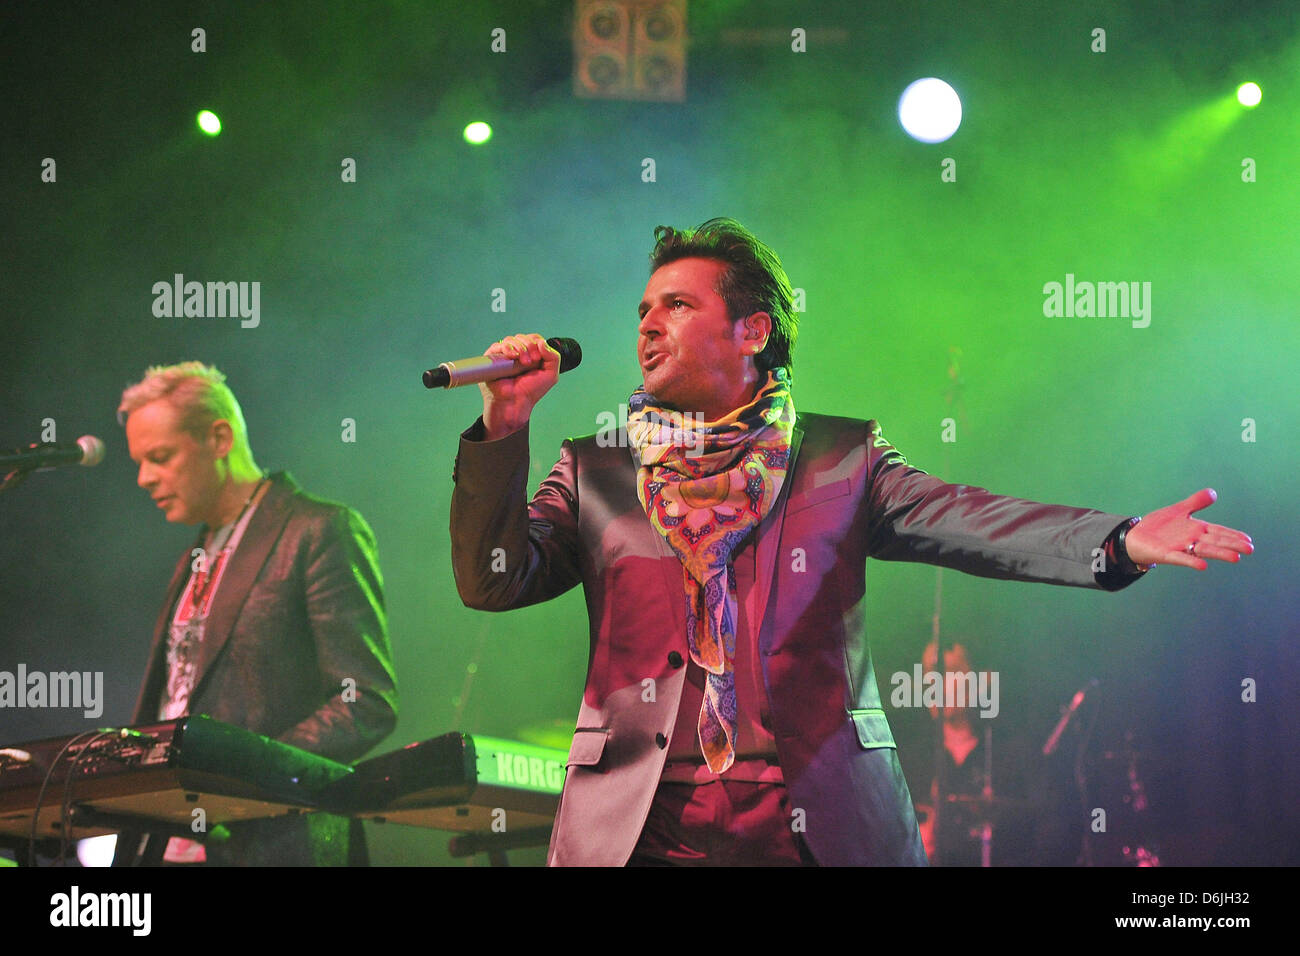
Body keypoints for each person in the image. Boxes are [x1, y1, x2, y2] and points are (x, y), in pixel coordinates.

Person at [448, 218, 1253, 866]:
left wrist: (1119, 540)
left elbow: (969, 517)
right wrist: (504, 426)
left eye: (677, 306)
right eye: (643, 312)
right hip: (644, 831)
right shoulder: (599, 470)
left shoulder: (839, 461)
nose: (648, 326)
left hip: (813, 826)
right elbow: (493, 581)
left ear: (752, 329)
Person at [113, 362, 397, 866]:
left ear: (219, 438)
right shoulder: (192, 556)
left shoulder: (318, 530)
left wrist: (240, 777)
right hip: (172, 843)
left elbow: (364, 702)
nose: (143, 478)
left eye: (159, 457)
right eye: (140, 462)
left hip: (274, 844)